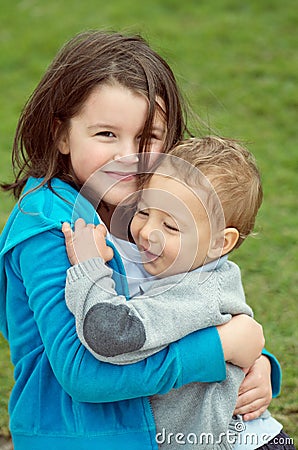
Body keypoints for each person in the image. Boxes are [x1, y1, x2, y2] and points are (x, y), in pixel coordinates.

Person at [0, 30, 278, 450]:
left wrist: (255, 367)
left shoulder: (151, 212)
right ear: (61, 135)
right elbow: (83, 374)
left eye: (147, 138)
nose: (128, 157)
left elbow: (190, 304)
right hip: (83, 438)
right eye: (106, 135)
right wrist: (220, 348)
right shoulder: (50, 226)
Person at [62, 137, 295, 449]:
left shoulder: (199, 292)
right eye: (143, 212)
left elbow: (113, 335)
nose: (146, 232)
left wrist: (90, 267)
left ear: (219, 243)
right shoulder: (174, 264)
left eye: (170, 226)